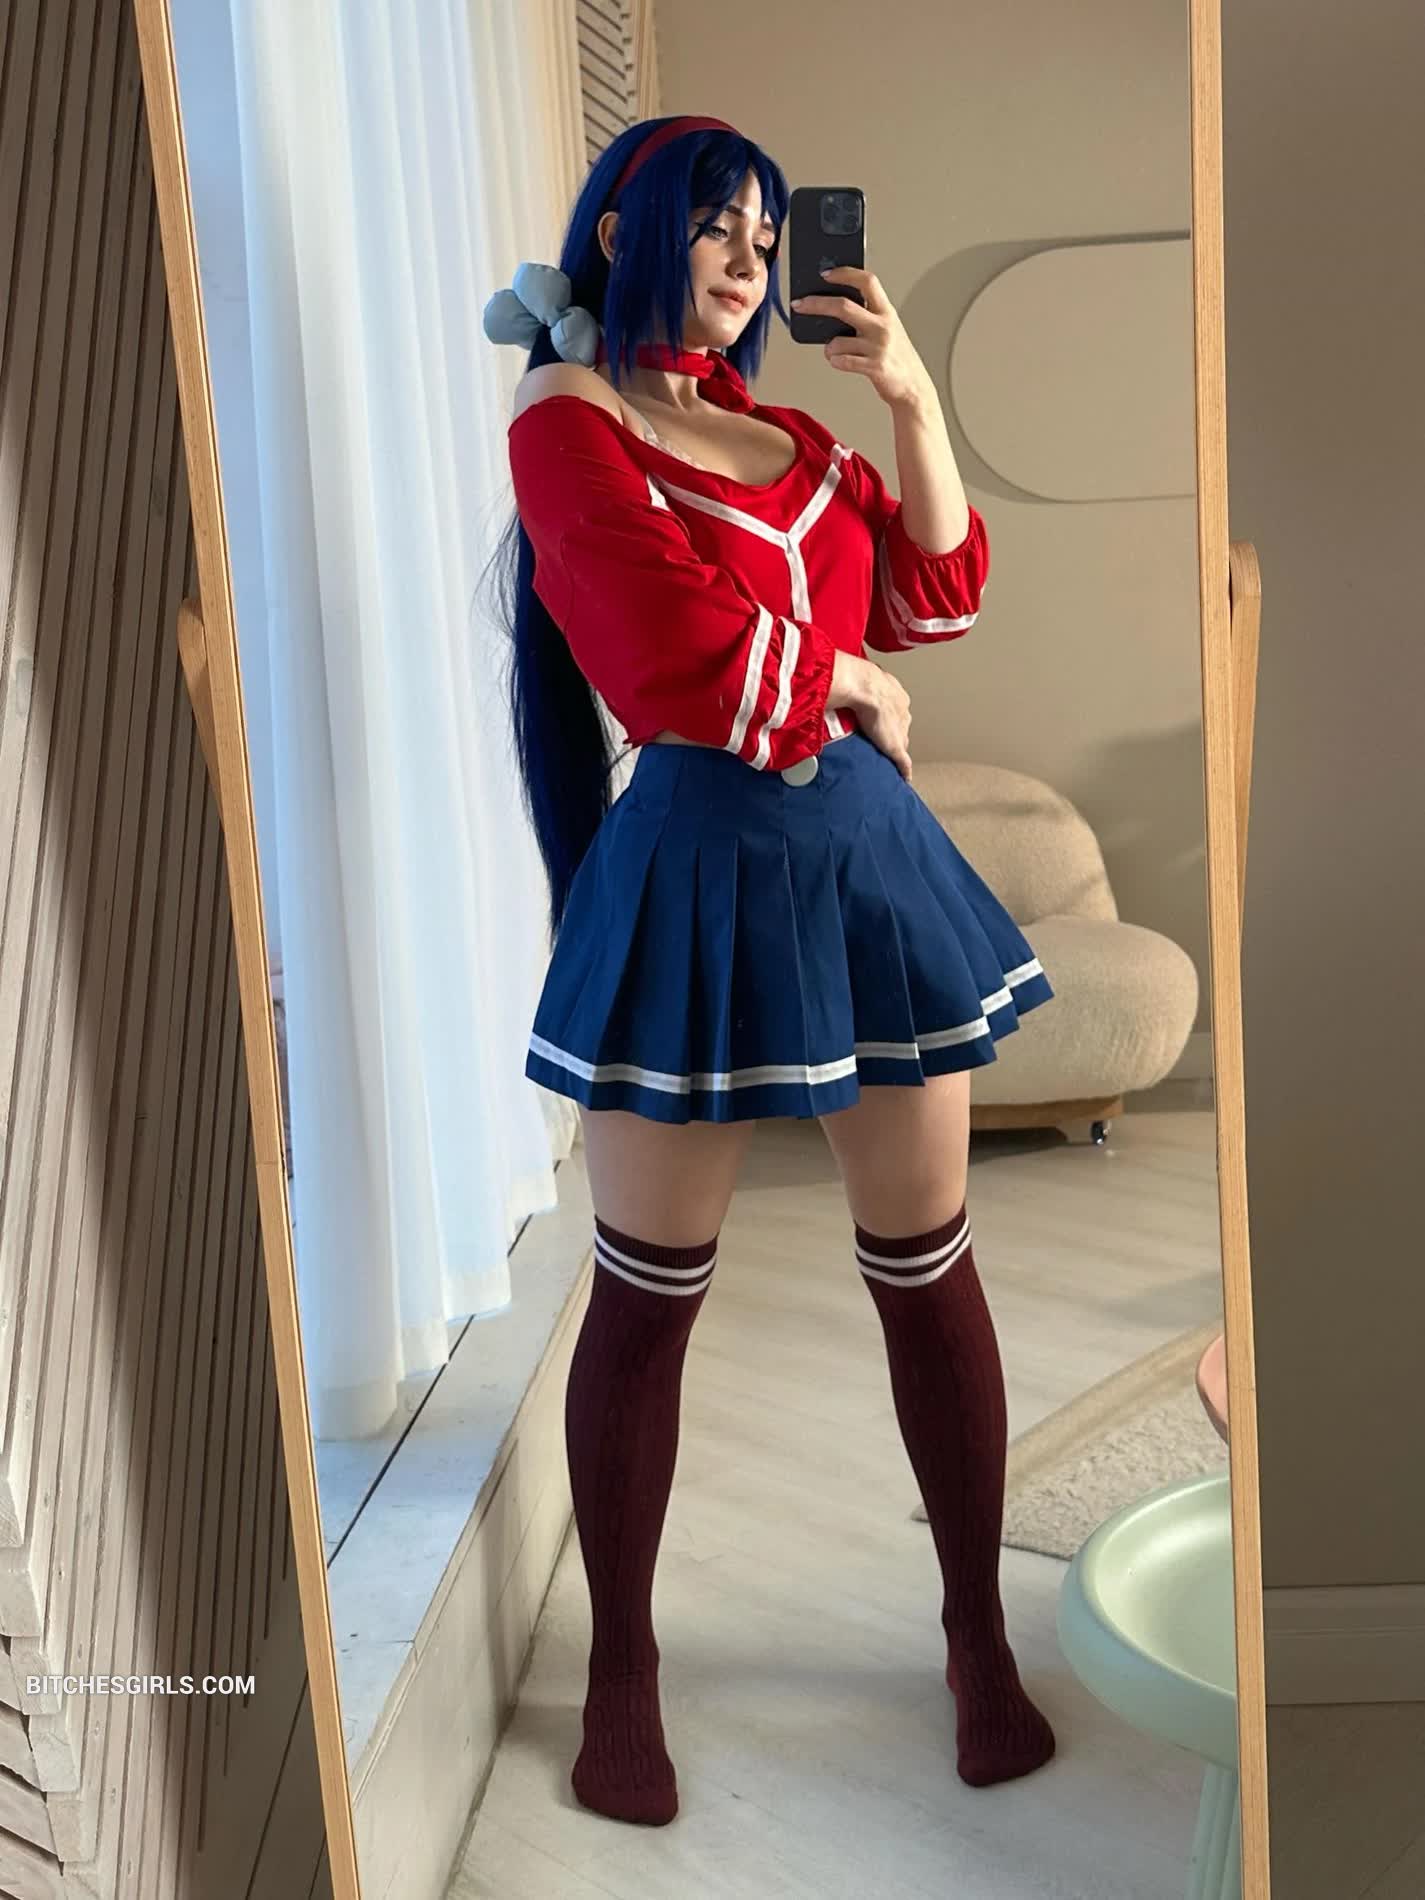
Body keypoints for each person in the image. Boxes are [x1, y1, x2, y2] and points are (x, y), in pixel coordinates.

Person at [483, 115, 1057, 1829]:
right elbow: (665, 656)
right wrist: (851, 685)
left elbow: (933, 597)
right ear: (625, 234)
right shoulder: (567, 417)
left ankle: (973, 1635)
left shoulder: (792, 437)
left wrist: (914, 402)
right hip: (689, 871)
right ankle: (623, 1666)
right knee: (648, 1300)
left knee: (927, 1270)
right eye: (716, 225)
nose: (748, 259)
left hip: (866, 870)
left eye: (764, 232)